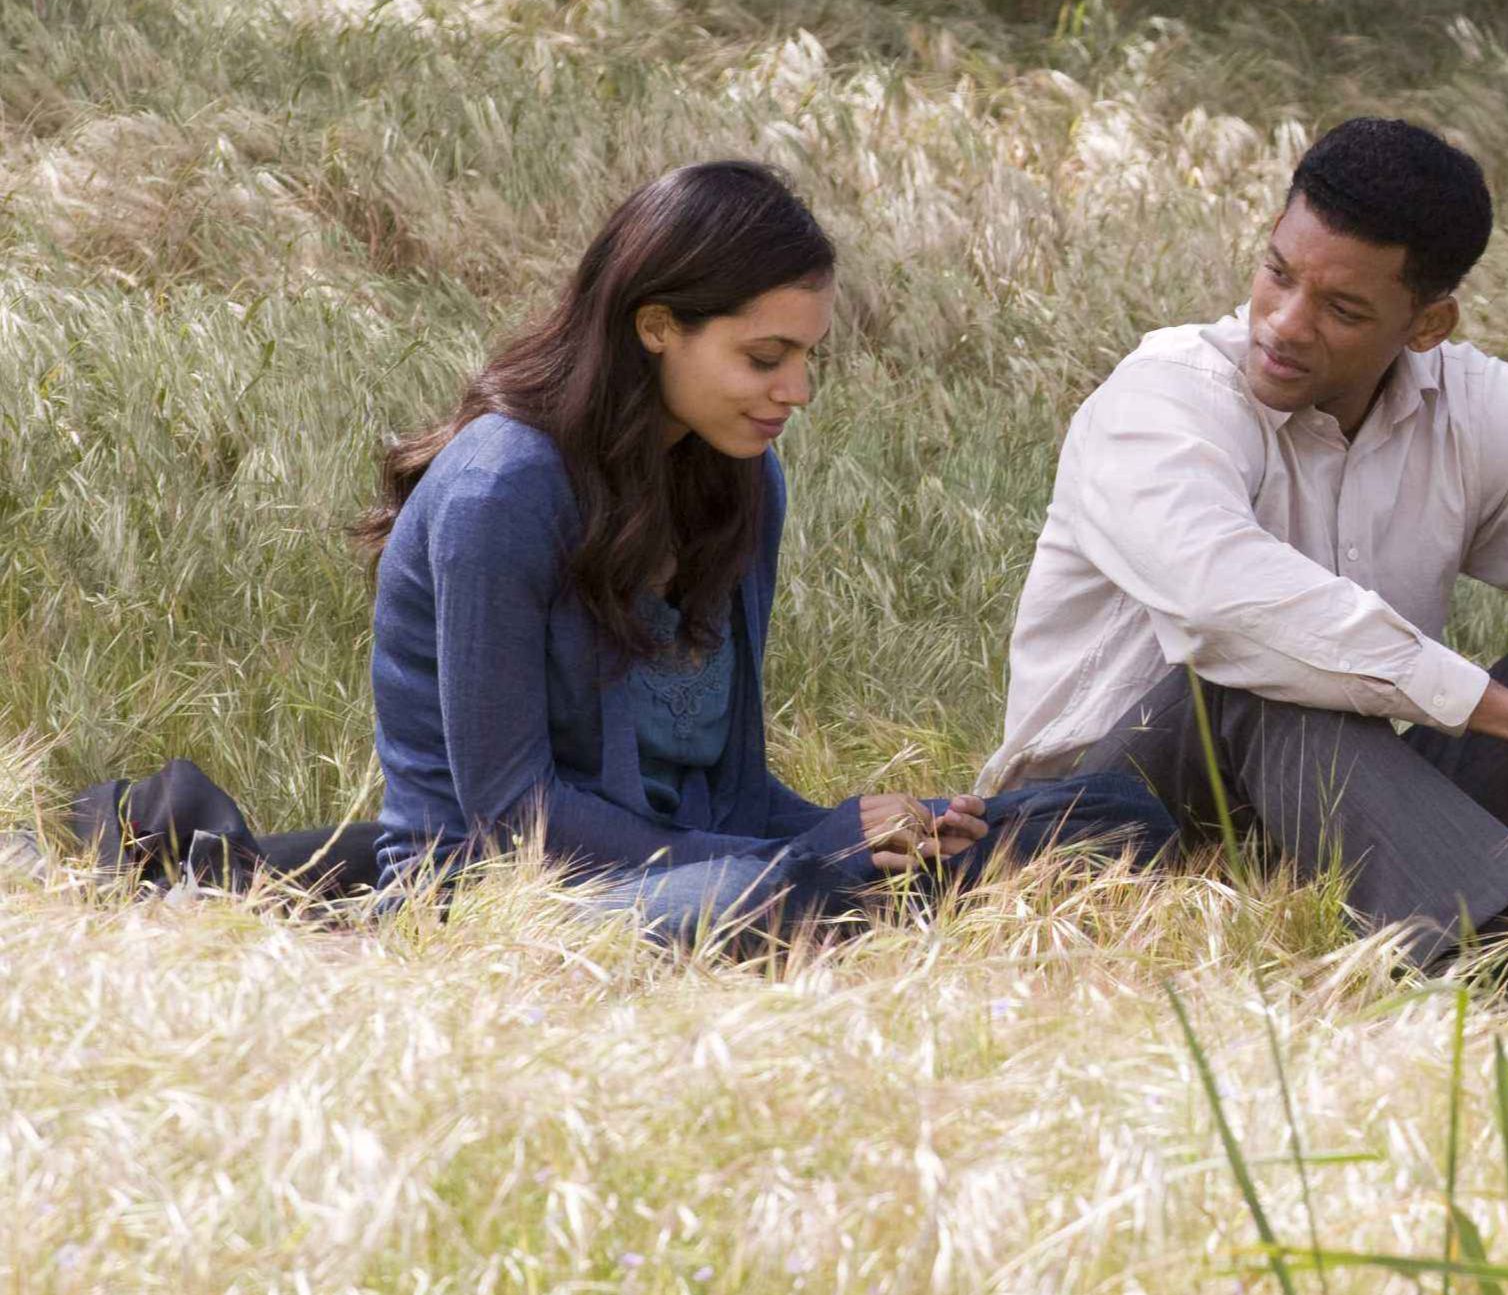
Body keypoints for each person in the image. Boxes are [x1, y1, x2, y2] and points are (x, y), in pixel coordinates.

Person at [981, 118, 1508, 970]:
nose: (1285, 323)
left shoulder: (1475, 409)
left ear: (1428, 323)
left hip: (1335, 812)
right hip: (1096, 829)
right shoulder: (1163, 398)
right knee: (1260, 675)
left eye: (1341, 309)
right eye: (1276, 272)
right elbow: (1231, 607)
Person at [343, 159, 1171, 944]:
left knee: (1109, 815)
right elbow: (515, 820)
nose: (798, 391)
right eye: (765, 358)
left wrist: (878, 830)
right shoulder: (503, 488)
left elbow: (732, 791)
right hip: (495, 903)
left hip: (711, 873)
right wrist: (811, 858)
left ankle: (874, 897)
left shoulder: (742, 480)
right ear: (658, 326)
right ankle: (860, 908)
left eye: (807, 358)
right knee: (770, 897)